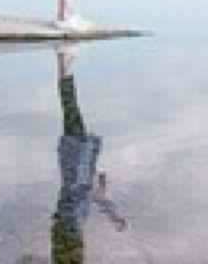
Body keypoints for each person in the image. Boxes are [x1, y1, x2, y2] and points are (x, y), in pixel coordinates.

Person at [51, 44, 128, 264]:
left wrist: (114, 216)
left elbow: (95, 198)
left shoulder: (79, 200)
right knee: (70, 107)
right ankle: (64, 65)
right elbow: (101, 200)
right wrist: (115, 218)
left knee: (70, 107)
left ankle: (64, 64)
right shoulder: (85, 198)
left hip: (75, 150)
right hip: (77, 151)